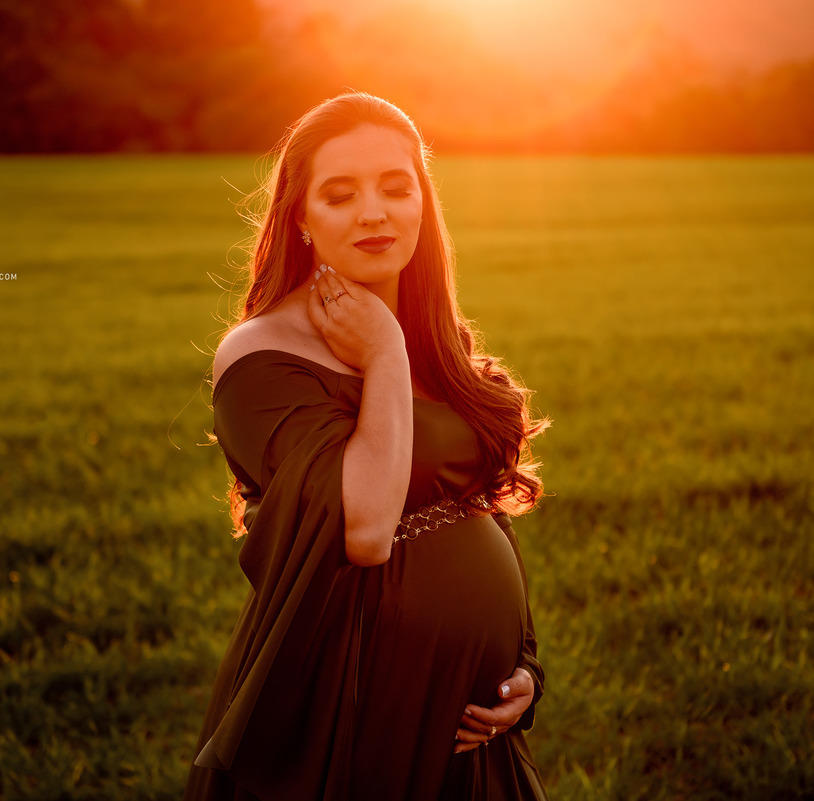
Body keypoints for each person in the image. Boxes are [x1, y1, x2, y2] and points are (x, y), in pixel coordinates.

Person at [184, 91, 548, 801]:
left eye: (395, 187)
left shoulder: (437, 341)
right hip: (353, 703)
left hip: (471, 731)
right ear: (303, 219)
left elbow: (478, 503)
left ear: (423, 203)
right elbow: (367, 529)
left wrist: (525, 669)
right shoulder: (262, 356)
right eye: (340, 194)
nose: (374, 212)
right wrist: (383, 350)